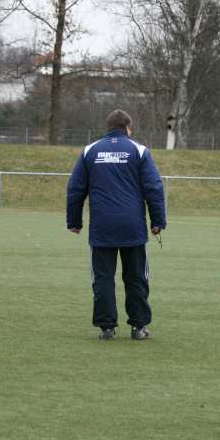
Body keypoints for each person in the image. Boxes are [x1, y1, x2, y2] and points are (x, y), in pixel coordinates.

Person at [66, 109, 167, 340]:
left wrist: (74, 221)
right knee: (136, 277)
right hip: (132, 226)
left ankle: (106, 327)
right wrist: (158, 221)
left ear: (108, 127)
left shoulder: (90, 151)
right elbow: (154, 188)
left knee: (103, 278)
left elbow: (75, 189)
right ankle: (139, 327)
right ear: (128, 128)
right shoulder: (139, 151)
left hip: (102, 227)